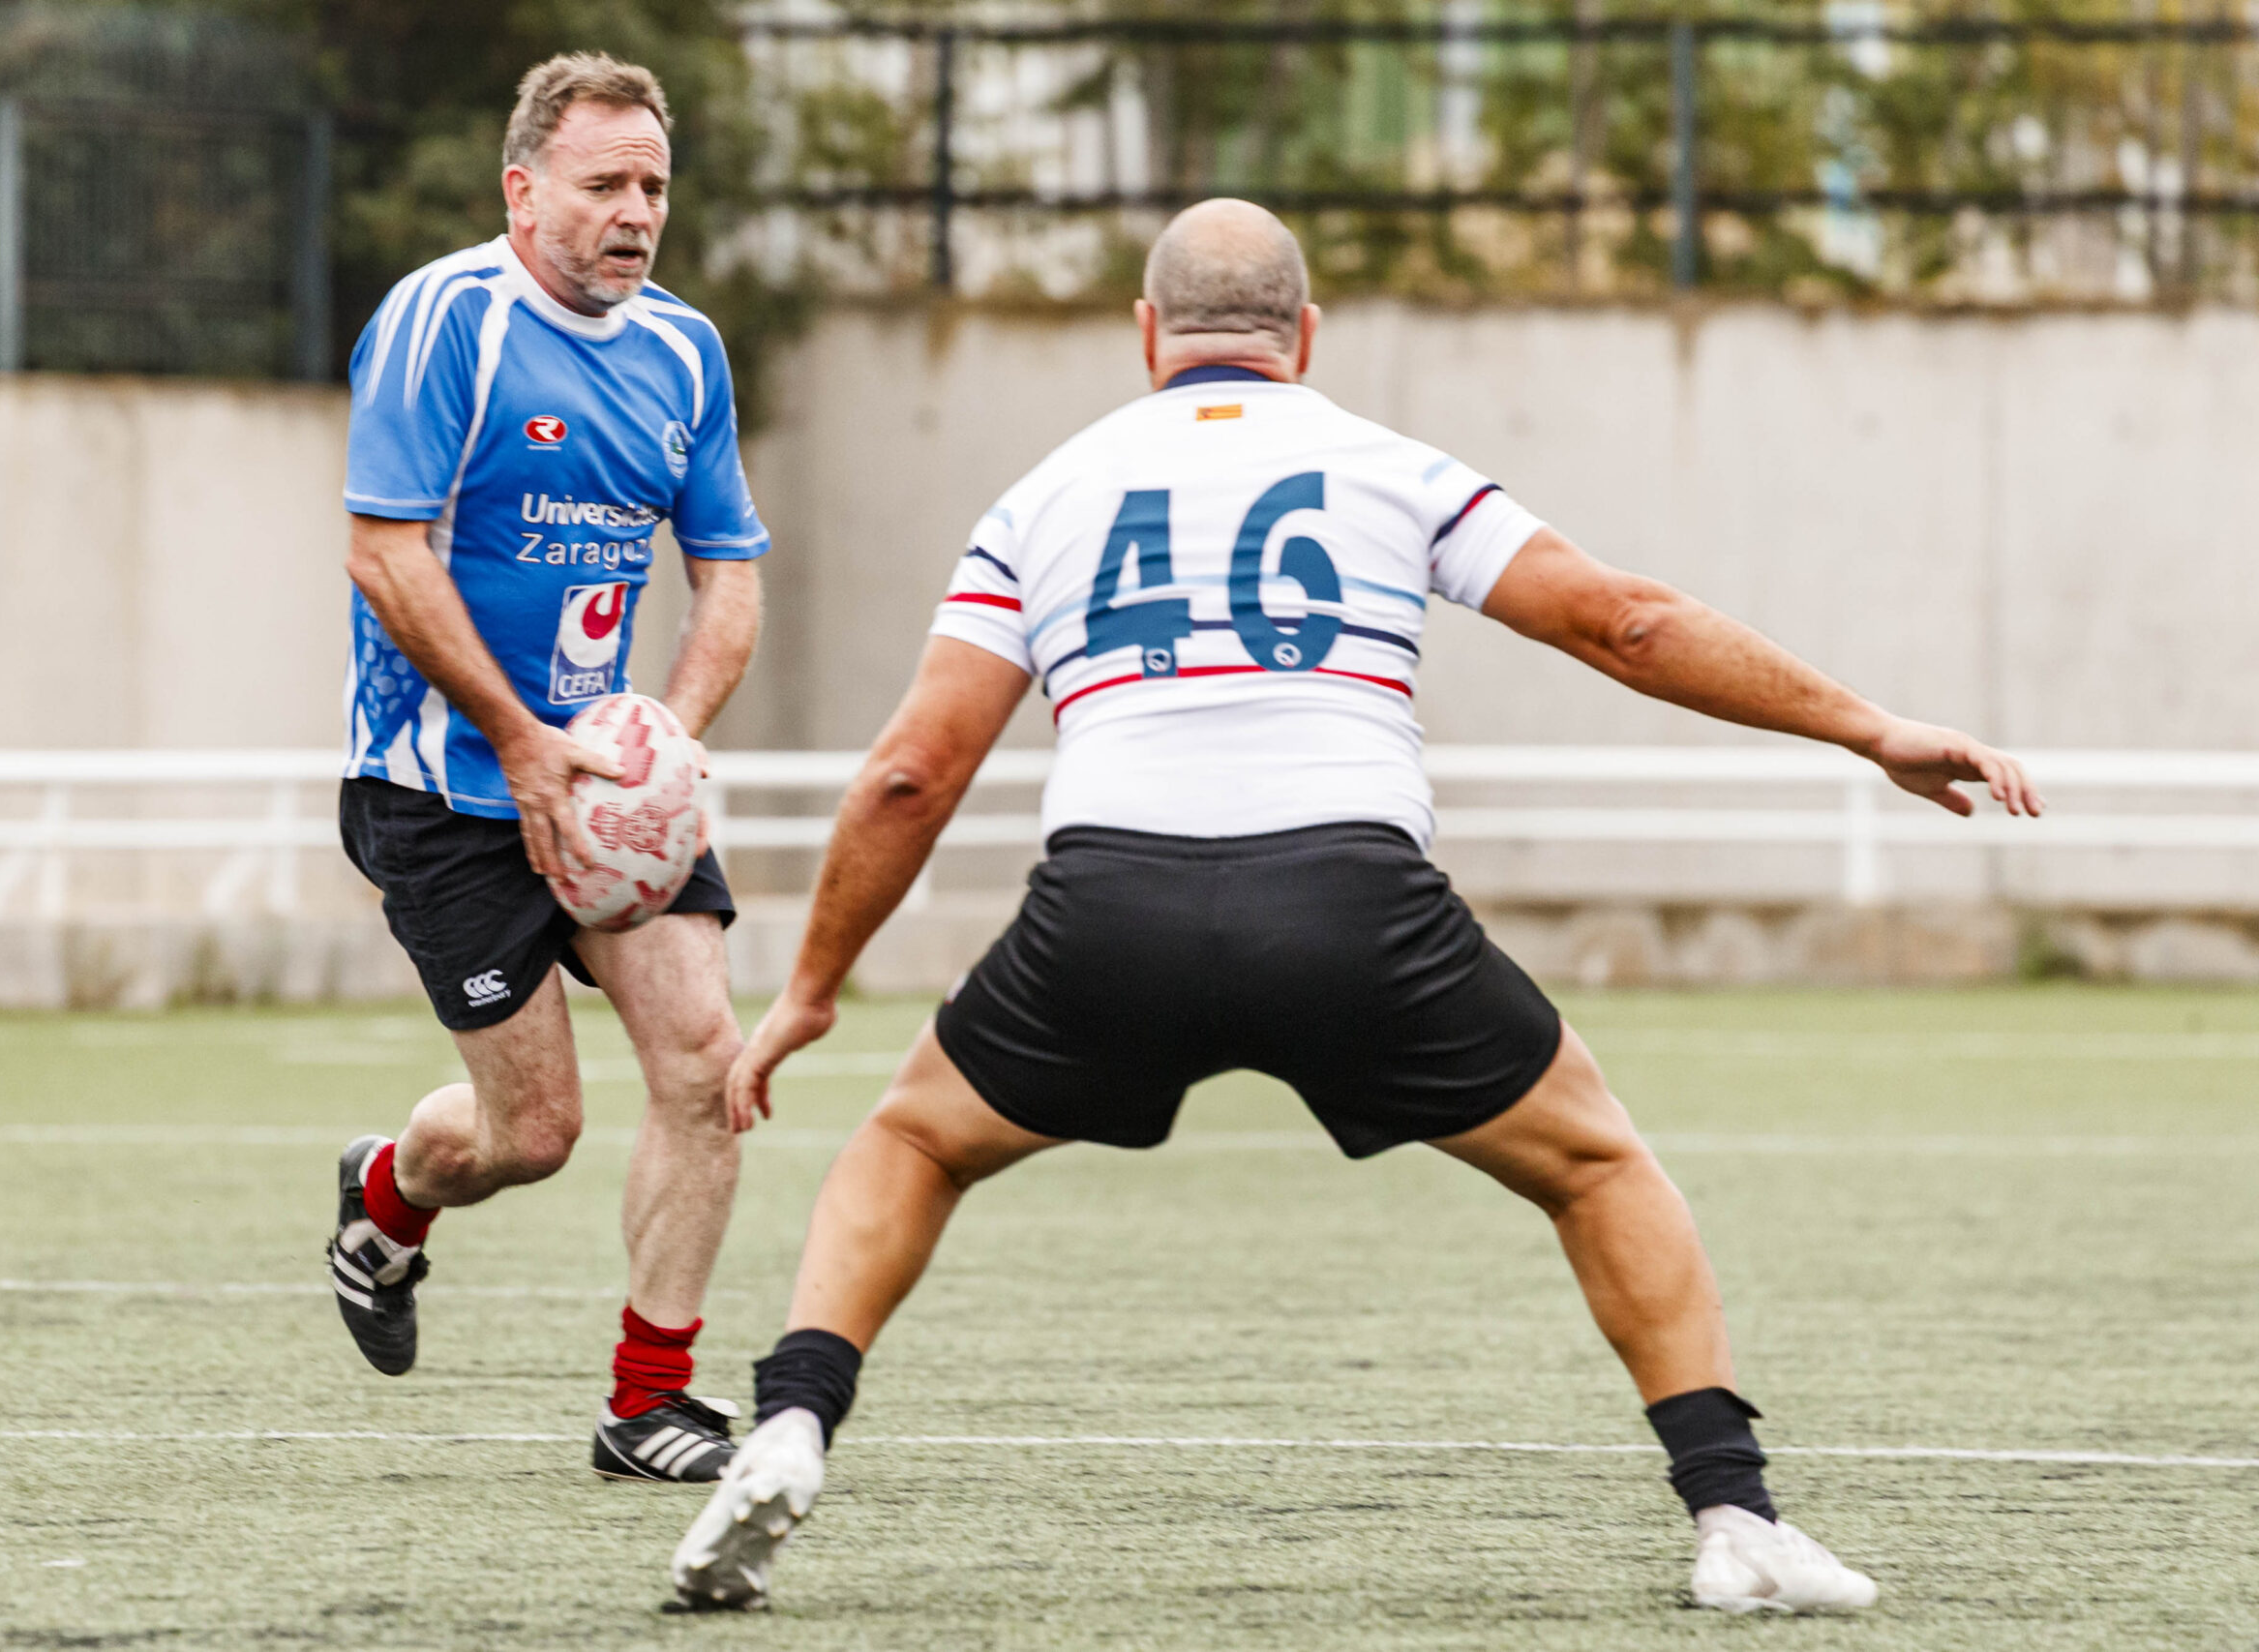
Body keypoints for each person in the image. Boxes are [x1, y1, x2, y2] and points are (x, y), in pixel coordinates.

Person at [668, 199, 2044, 1609]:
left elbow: (912, 772)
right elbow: (1624, 623)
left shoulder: (1044, 497)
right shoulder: (1393, 469)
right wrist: (1868, 728)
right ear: (1305, 338)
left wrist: (814, 991)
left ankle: (789, 1424)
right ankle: (1736, 1522)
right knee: (1599, 1167)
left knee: (911, 1143)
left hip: (1110, 909)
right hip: (1351, 908)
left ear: (1147, 336)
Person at [326, 52, 766, 1486]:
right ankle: (387, 1201)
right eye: (604, 184)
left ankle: (649, 1404)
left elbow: (732, 580)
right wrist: (520, 744)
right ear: (524, 189)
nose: (636, 212)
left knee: (705, 1064)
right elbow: (383, 552)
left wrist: (669, 745)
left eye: (653, 184)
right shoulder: (444, 322)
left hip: (607, 783)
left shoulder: (685, 352)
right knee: (533, 1134)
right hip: (443, 785)